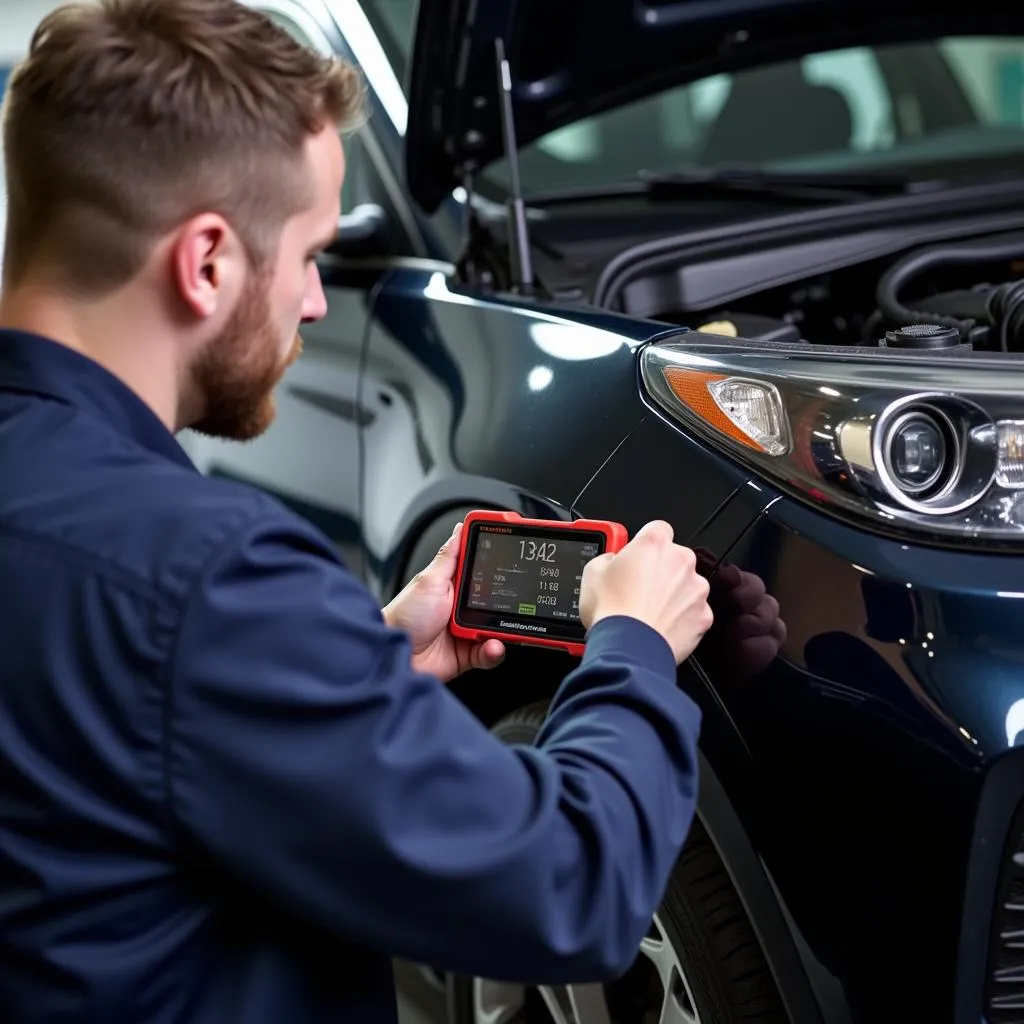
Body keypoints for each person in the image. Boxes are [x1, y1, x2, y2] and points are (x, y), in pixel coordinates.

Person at [0, 1, 714, 1022]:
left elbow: (113, 759)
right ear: (205, 262)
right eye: (307, 256)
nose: (315, 303)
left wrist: (358, 665)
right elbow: (570, 889)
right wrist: (634, 647)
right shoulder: (208, 578)